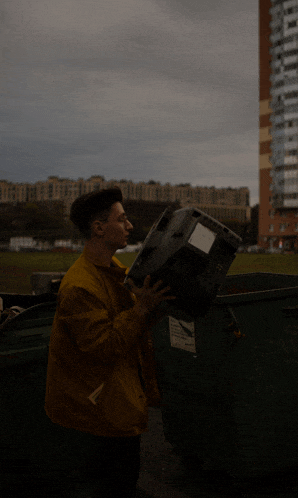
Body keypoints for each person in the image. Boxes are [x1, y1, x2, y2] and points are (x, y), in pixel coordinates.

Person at [44, 187, 175, 498]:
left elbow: (131, 326)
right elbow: (104, 346)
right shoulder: (80, 286)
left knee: (124, 478)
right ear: (99, 228)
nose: (130, 226)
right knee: (111, 483)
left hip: (116, 399)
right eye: (122, 219)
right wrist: (141, 309)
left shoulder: (115, 272)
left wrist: (151, 306)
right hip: (95, 409)